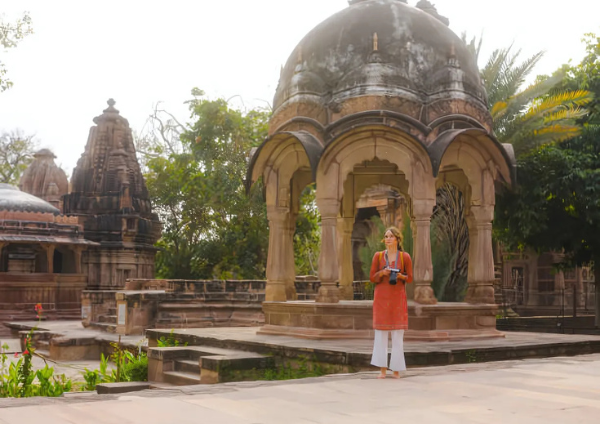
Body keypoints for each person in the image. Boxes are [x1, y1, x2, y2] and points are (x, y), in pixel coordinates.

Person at [369, 226, 413, 379]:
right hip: (381, 298)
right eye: (386, 236)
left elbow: (410, 278)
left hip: (397, 298)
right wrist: (382, 273)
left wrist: (400, 276)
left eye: (390, 236)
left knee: (397, 335)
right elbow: (372, 277)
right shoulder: (378, 256)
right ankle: (382, 370)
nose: (387, 239)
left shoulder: (404, 257)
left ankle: (396, 370)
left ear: (397, 239)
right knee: (381, 334)